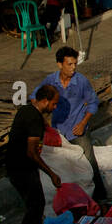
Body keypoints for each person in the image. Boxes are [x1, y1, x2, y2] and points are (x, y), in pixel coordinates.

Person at [36, 47, 105, 199]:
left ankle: (101, 198)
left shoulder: (81, 81)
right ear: (60, 64)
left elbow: (93, 103)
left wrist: (83, 123)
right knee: (65, 166)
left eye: (75, 64)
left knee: (89, 163)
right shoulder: (50, 81)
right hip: (59, 131)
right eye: (69, 64)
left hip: (78, 130)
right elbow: (35, 97)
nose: (73, 68)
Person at [8, 84, 62, 224]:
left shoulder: (26, 110)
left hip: (13, 166)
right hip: (23, 168)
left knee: (35, 204)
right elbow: (31, 152)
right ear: (45, 101)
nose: (55, 107)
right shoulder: (34, 119)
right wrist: (51, 174)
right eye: (54, 103)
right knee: (36, 205)